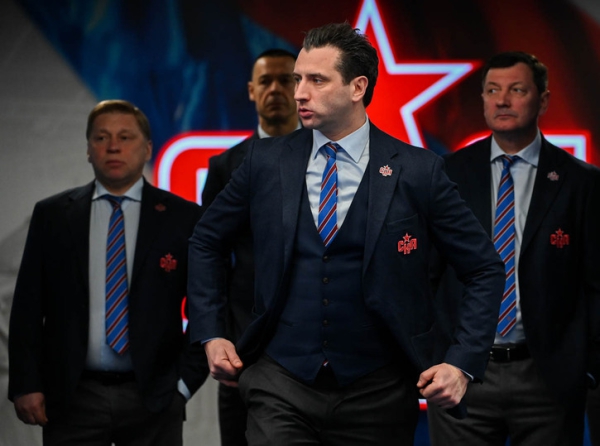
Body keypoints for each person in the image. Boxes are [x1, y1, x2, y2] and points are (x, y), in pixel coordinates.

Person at [187, 22, 505, 445]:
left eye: (317, 80)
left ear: (358, 87)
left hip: (379, 392)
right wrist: (211, 333)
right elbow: (206, 240)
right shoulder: (264, 161)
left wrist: (461, 362)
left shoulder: (418, 170)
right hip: (279, 381)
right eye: (299, 79)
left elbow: (484, 268)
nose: (299, 93)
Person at [8, 100, 208, 446]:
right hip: (71, 397)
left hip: (155, 397)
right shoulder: (52, 215)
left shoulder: (183, 217)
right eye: (101, 138)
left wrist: (184, 385)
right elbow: (27, 307)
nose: (113, 146)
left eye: (125, 137)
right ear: (88, 149)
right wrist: (26, 384)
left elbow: (205, 308)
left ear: (147, 149)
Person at [427, 51, 600, 445]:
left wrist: (587, 368)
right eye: (492, 90)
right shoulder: (446, 174)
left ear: (543, 100)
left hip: (548, 380)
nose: (502, 100)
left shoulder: (582, 182)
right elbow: (425, 275)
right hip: (461, 374)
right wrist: (436, 357)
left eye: (516, 90)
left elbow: (595, 284)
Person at [201, 48, 299, 446]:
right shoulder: (226, 167)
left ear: (302, 88)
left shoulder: (334, 158)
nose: (275, 89)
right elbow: (209, 256)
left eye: (286, 79)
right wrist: (216, 335)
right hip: (245, 348)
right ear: (251, 90)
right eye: (265, 81)